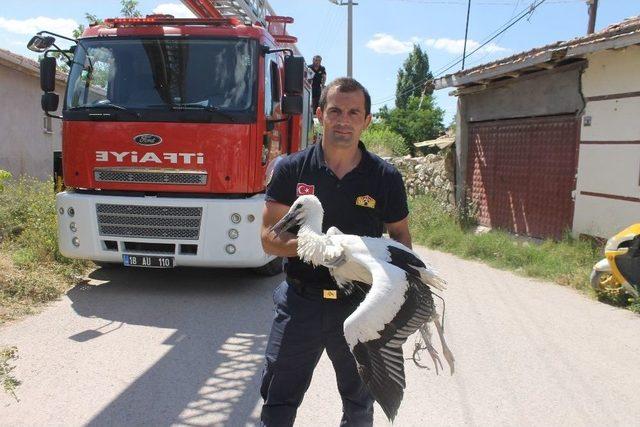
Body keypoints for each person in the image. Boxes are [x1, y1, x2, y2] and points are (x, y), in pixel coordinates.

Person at [259, 77, 412, 426]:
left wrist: (395, 295)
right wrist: (326, 251)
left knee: (360, 405)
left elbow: (401, 236)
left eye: (354, 112)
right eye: (335, 111)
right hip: (300, 303)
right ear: (319, 115)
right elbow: (269, 239)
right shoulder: (290, 169)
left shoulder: (384, 177)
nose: (344, 120)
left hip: (358, 305)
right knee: (277, 402)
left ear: (367, 120)